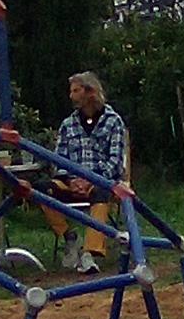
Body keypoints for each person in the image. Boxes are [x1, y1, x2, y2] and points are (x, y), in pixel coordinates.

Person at [44, 71, 129, 273]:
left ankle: (90, 252)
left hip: (101, 181)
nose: (71, 96)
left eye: (76, 91)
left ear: (90, 92)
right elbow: (59, 159)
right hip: (71, 181)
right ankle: (69, 238)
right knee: (41, 190)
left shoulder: (113, 121)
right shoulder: (68, 125)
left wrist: (92, 180)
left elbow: (116, 162)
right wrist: (70, 179)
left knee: (102, 194)